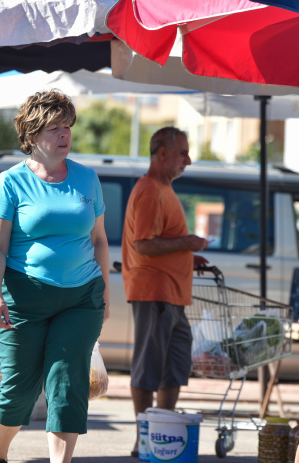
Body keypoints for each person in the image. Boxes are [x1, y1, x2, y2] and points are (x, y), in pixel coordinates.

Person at [0, 90, 109, 463]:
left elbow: (100, 240)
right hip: (24, 296)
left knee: (68, 383)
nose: (63, 134)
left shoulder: (88, 179)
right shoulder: (11, 182)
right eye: (54, 127)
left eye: (67, 126)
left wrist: (104, 295)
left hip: (81, 296)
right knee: (20, 386)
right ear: (32, 134)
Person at [121, 127, 209, 457]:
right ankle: (144, 437)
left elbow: (161, 241)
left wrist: (188, 255)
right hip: (153, 292)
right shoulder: (149, 190)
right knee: (148, 368)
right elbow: (144, 244)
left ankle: (162, 429)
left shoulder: (164, 189)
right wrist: (187, 243)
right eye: (182, 153)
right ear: (162, 153)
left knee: (174, 366)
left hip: (173, 294)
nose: (188, 159)